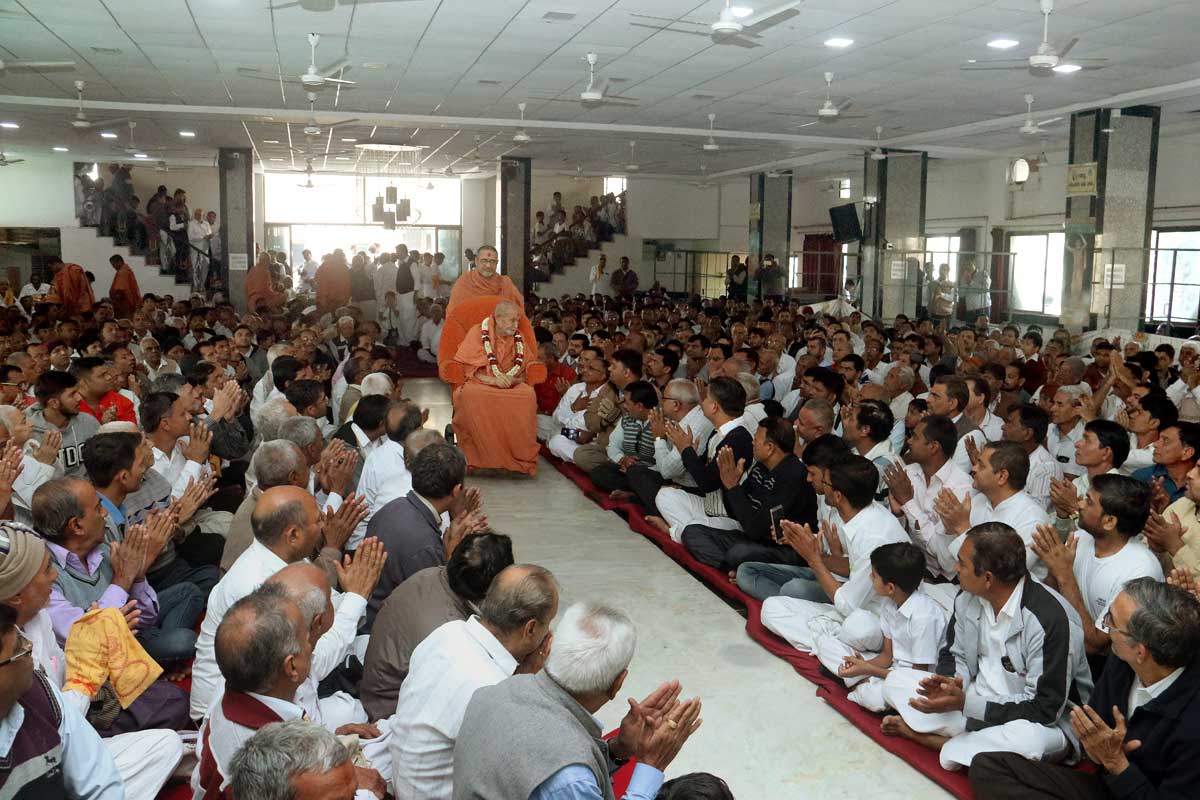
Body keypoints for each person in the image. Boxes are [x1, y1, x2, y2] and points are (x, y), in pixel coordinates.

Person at [880, 522, 1092, 771]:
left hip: (1041, 722)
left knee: (1029, 742)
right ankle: (970, 745)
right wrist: (949, 686)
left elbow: (1046, 708)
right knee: (896, 681)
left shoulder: (1050, 619)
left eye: (962, 564)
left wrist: (965, 705)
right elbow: (953, 653)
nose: (956, 569)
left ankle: (935, 741)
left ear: (988, 578)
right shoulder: (967, 597)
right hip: (974, 702)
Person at [0, 521, 186, 798]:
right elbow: (51, 715)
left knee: (168, 744)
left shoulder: (40, 618)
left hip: (74, 725)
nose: (55, 576)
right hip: (50, 742)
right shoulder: (12, 657)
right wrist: (85, 674)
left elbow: (62, 703)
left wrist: (96, 638)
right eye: (47, 570)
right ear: (16, 595)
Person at [970, 577, 1200, 800]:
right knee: (988, 768)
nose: (1105, 625)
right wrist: (1100, 753)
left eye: (1111, 621)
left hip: (1138, 789)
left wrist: (1117, 763)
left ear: (1140, 651)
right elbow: (1091, 735)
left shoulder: (1192, 724)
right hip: (1106, 783)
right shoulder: (1122, 661)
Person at [453, 602, 703, 800]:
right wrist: (651, 765)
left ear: (550, 647)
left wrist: (617, 750)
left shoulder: (494, 692)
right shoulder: (571, 781)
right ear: (617, 684)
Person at [189, 485, 385, 720]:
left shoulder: (283, 555)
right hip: (234, 711)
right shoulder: (261, 589)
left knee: (368, 646)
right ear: (293, 535)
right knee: (354, 711)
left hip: (279, 683)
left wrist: (356, 591)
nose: (325, 524)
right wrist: (356, 597)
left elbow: (328, 604)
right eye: (318, 520)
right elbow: (309, 665)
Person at [390, 564, 558, 800]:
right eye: (548, 623)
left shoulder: (448, 632)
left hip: (404, 784)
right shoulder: (493, 690)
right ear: (530, 629)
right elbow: (524, 765)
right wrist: (530, 683)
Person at [32, 476, 204, 667]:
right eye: (98, 508)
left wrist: (137, 574)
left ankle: (157, 657)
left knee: (189, 591)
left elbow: (145, 619)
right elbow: (91, 641)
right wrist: (122, 579)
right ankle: (158, 660)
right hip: (100, 661)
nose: (105, 513)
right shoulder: (45, 575)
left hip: (131, 636)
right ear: (77, 526)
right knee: (184, 641)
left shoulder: (103, 547)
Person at [756, 456, 911, 650]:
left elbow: (848, 606)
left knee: (857, 628)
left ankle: (830, 645)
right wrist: (805, 543)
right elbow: (852, 569)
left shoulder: (874, 537)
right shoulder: (864, 515)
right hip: (855, 604)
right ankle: (829, 638)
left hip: (875, 619)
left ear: (838, 496)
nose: (820, 484)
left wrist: (813, 559)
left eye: (826, 482)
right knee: (771, 608)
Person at [360, 532, 514, 721]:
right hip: (390, 714)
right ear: (492, 589)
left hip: (379, 691)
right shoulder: (450, 634)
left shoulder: (430, 575)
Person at [0, 602, 125, 799]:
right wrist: (84, 679)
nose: (29, 646)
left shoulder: (39, 688)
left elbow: (101, 783)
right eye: (18, 648)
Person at [1031, 474, 1164, 660]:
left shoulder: (1139, 570)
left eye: (1089, 501)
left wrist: (1064, 575)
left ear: (1109, 522)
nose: (1079, 505)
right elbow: (1050, 596)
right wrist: (1055, 568)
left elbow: (1094, 645)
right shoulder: (1081, 538)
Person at [363, 442, 486, 629]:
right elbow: (434, 604)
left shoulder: (394, 506)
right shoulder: (424, 545)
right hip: (384, 628)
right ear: (456, 491)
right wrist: (453, 555)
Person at [814, 542, 947, 713]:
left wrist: (868, 670)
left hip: (912, 679)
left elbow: (918, 678)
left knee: (874, 698)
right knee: (827, 646)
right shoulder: (890, 603)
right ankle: (859, 682)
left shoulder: (924, 618)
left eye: (874, 576)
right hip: (892, 669)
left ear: (890, 587)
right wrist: (862, 665)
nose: (870, 578)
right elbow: (886, 656)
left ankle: (859, 684)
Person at [681, 414, 817, 572]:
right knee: (692, 533)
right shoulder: (761, 467)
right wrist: (728, 484)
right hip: (754, 541)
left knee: (738, 553)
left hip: (785, 548)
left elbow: (756, 529)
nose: (752, 442)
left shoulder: (793, 475)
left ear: (769, 448)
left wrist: (733, 487)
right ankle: (733, 570)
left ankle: (738, 568)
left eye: (756, 439)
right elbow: (736, 514)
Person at [650, 376, 754, 542]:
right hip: (710, 507)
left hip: (729, 517)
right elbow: (702, 472)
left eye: (705, 398)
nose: (700, 403)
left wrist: (686, 449)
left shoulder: (738, 438)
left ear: (714, 407)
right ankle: (689, 535)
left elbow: (707, 484)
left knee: (694, 526)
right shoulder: (718, 433)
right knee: (665, 495)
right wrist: (689, 452)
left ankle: (678, 534)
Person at [450, 300, 539, 475]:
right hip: (482, 382)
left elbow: (526, 366)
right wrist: (492, 381)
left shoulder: (518, 337)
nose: (516, 325)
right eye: (512, 320)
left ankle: (520, 458)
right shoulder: (477, 332)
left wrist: (512, 380)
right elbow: (467, 368)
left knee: (528, 395)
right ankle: (477, 458)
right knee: (470, 394)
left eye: (517, 320)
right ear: (498, 318)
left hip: (511, 383)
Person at [29, 371, 101, 478]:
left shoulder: (89, 422)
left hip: (89, 485)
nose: (79, 398)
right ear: (54, 403)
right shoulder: (31, 432)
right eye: (72, 394)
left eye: (77, 392)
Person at [446, 245, 522, 313]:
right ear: (476, 261)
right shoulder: (464, 283)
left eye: (492, 261)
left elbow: (517, 312)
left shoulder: (505, 283)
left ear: (497, 263)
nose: (488, 265)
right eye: (484, 261)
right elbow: (454, 315)